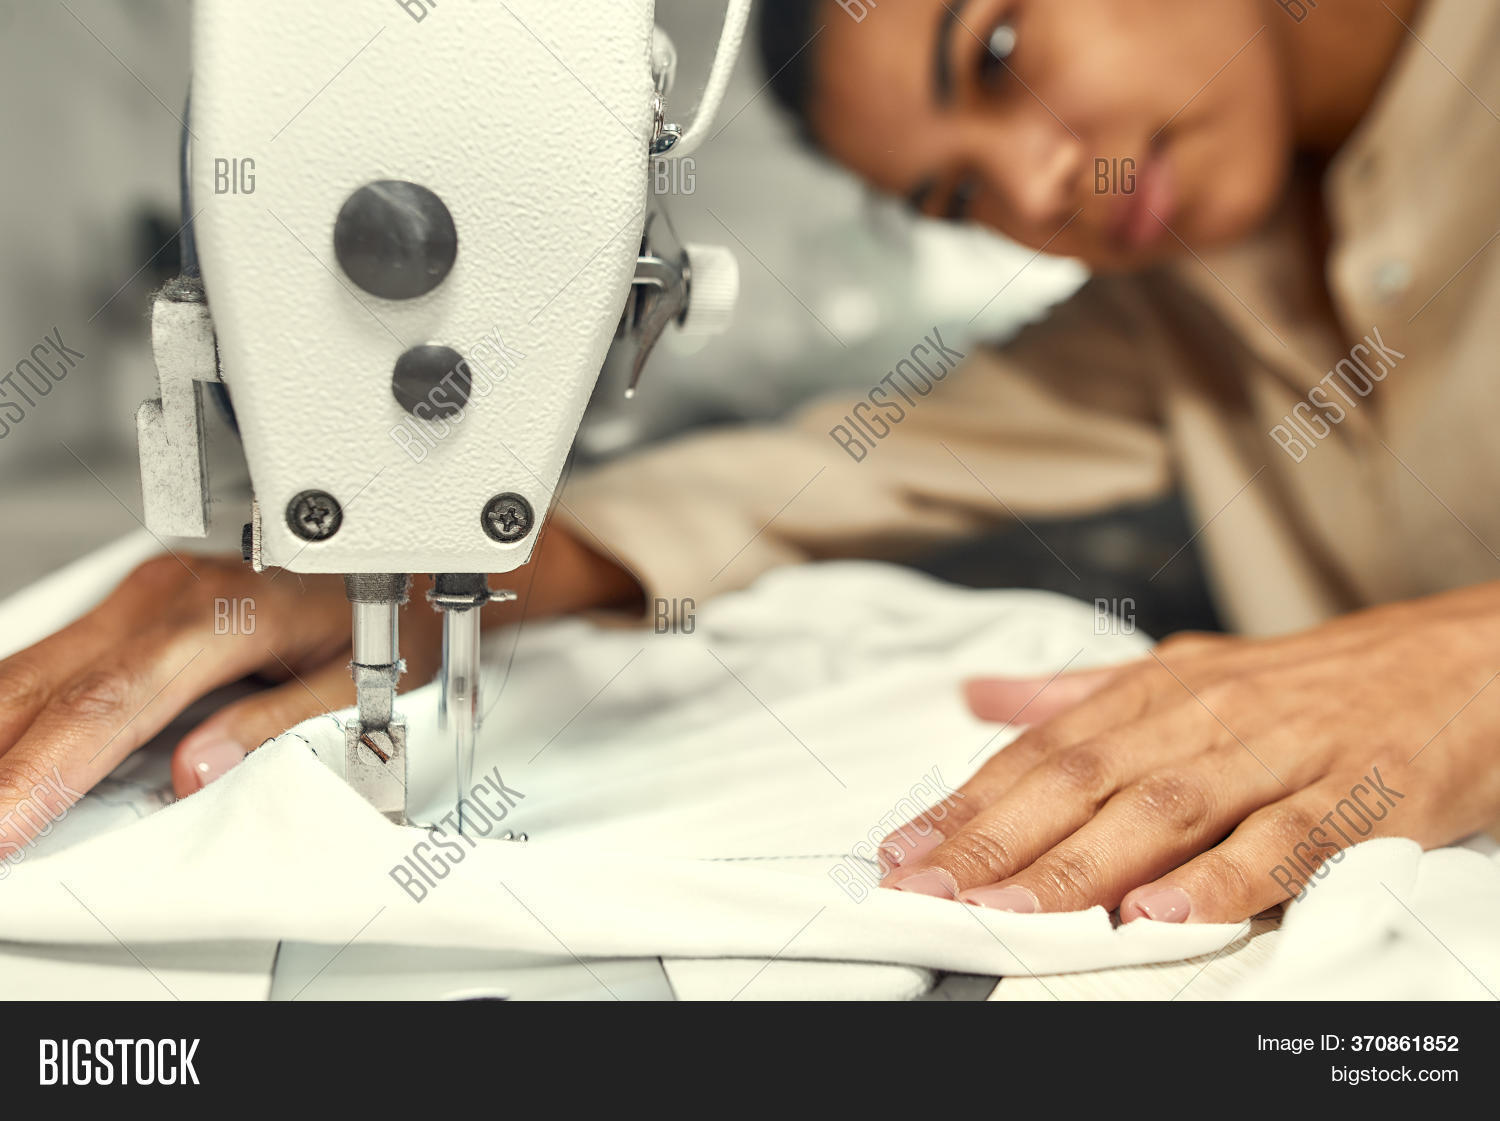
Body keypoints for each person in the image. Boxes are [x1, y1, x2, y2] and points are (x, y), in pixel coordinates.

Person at [4, 0, 1498, 926]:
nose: (1047, 182)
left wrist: (1463, 667)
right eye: (961, 193)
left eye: (997, 49)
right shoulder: (1183, 307)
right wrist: (414, 543)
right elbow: (827, 474)